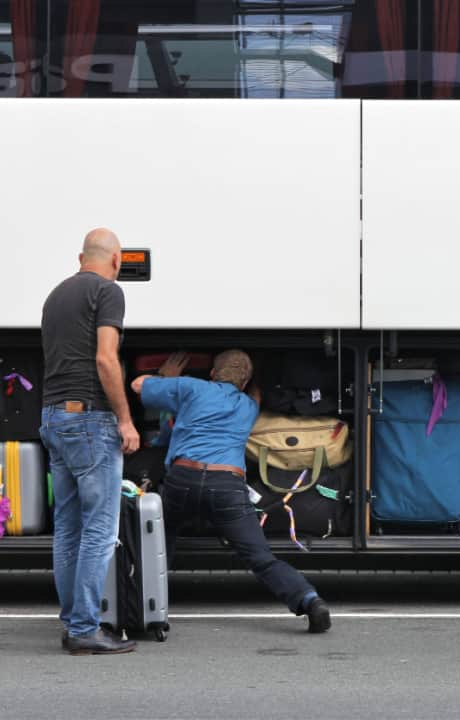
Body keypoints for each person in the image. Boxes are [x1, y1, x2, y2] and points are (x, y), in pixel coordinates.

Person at [131, 350, 332, 633]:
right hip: (227, 486)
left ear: (212, 373)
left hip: (183, 479)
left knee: (159, 546)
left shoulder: (191, 387)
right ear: (245, 382)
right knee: (261, 558)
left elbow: (138, 385)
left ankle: (142, 608)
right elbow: (257, 395)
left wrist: (167, 378)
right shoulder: (248, 406)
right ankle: (309, 600)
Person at [40, 228, 140, 655]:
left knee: (68, 528)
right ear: (116, 260)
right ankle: (84, 628)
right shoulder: (107, 291)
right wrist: (125, 419)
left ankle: (73, 621)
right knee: (99, 528)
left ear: (81, 256)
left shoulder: (55, 296)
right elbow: (105, 357)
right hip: (90, 420)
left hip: (53, 416)